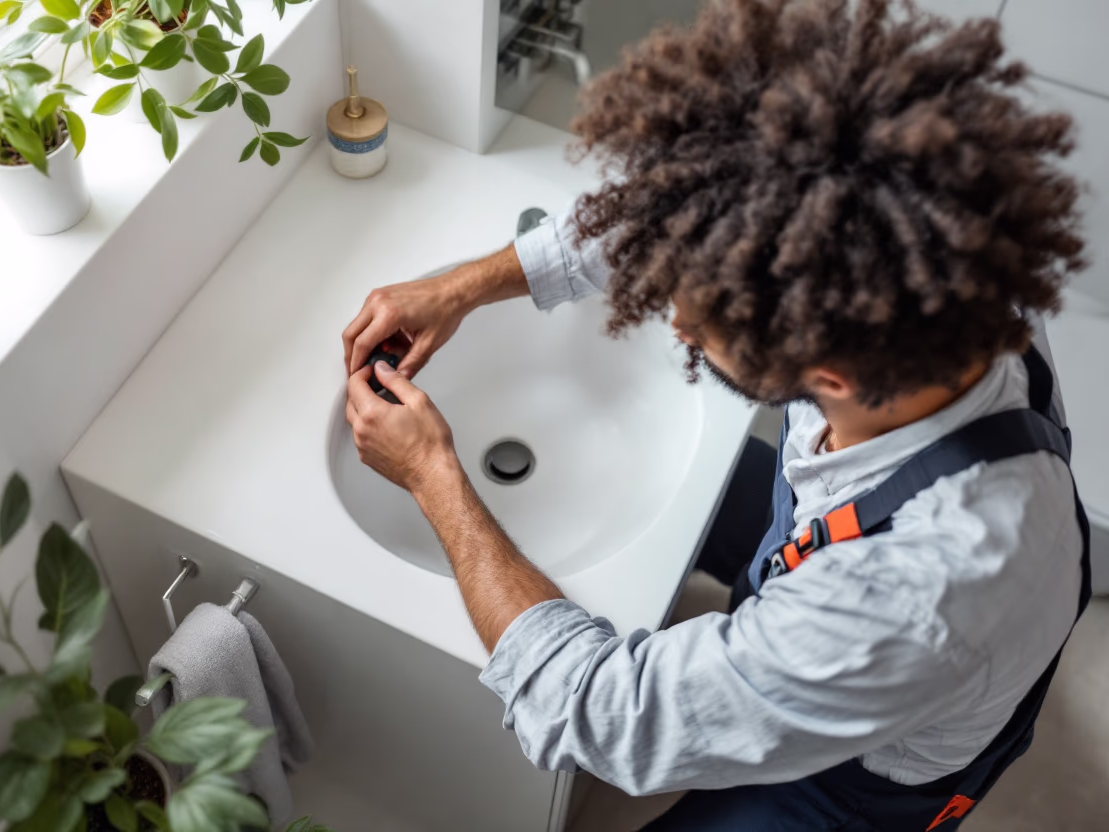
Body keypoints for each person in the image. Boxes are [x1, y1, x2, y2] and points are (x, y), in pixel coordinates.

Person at [339, 1, 1093, 829]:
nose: (675, 322)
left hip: (856, 784)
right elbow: (695, 216)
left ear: (824, 374)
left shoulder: (916, 597)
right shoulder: (947, 270)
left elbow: (603, 716)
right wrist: (463, 287)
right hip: (868, 560)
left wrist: (434, 474)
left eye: (700, 325)